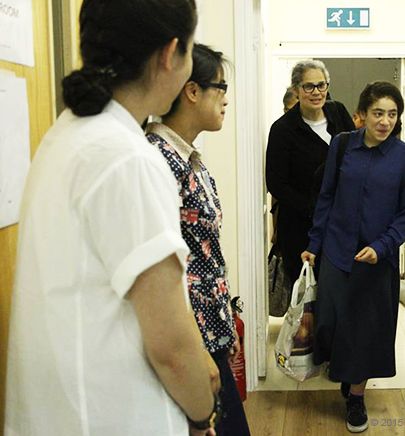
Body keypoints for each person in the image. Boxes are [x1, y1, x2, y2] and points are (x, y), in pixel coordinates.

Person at [4, 1, 222, 436]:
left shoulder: (66, 133)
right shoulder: (129, 159)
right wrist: (202, 414)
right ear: (171, 53)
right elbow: (173, 348)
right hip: (113, 416)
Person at [302, 81, 405, 433]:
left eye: (392, 114)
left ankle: (356, 396)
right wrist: (314, 242)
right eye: (378, 113)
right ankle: (346, 374)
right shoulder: (342, 146)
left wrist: (383, 247)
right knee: (330, 322)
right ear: (363, 115)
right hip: (336, 252)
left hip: (376, 259)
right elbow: (326, 197)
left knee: (366, 331)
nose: (385, 121)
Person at [146, 43, 251, 436]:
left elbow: (208, 253)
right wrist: (200, 349)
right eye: (220, 88)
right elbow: (170, 275)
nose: (226, 99)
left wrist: (225, 320)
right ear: (192, 91)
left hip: (211, 332)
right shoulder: (157, 160)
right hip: (190, 342)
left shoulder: (191, 159)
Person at [266, 59, 354, 286]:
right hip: (300, 229)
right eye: (309, 86)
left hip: (342, 225)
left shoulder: (339, 112)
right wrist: (315, 208)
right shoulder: (283, 129)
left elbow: (356, 156)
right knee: (308, 303)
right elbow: (276, 184)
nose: (317, 92)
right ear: (296, 89)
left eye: (321, 85)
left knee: (338, 293)